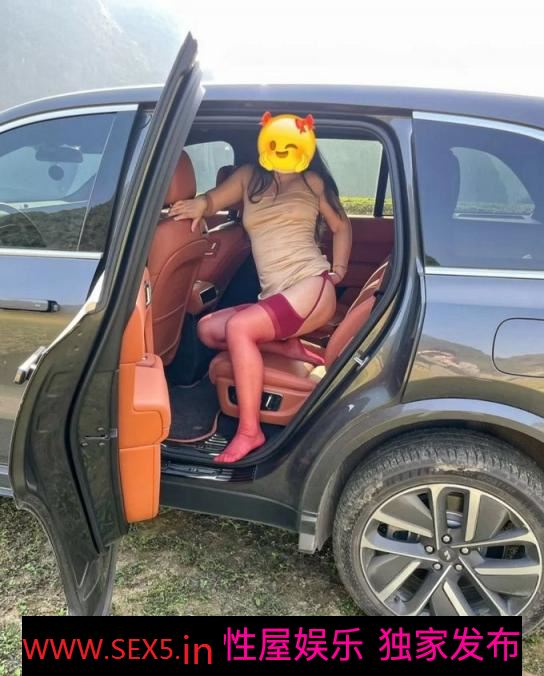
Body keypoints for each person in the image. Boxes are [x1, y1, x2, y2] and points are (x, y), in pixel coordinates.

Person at [168, 138, 352, 464]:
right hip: (277, 294)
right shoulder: (248, 176)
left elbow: (341, 225)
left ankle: (250, 431)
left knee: (239, 328)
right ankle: (287, 346)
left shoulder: (311, 180)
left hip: (309, 285)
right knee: (208, 330)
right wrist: (197, 205)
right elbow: (212, 201)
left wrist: (338, 270)